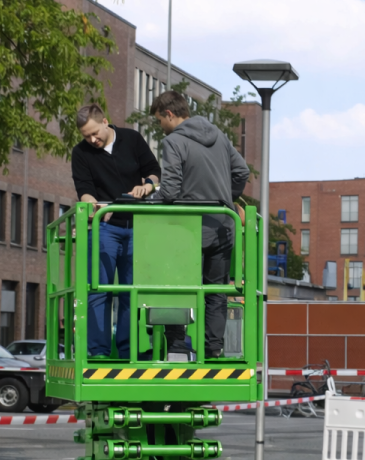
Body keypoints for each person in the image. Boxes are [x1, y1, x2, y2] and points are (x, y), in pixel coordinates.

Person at [150, 90, 249, 358]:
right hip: (222, 227)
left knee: (177, 287)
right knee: (216, 291)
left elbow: (169, 191)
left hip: (187, 229)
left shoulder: (174, 142)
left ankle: (177, 348)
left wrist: (151, 201)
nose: (161, 127)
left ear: (169, 114)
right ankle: (213, 349)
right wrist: (227, 198)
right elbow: (242, 172)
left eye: (160, 121)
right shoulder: (219, 136)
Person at [71, 104, 161, 358]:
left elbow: (154, 171)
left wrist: (148, 187)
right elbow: (84, 188)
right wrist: (90, 202)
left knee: (131, 292)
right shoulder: (80, 153)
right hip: (105, 227)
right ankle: (98, 351)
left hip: (138, 226)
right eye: (86, 136)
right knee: (99, 290)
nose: (92, 140)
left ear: (106, 122)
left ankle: (128, 350)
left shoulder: (132, 139)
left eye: (94, 133)